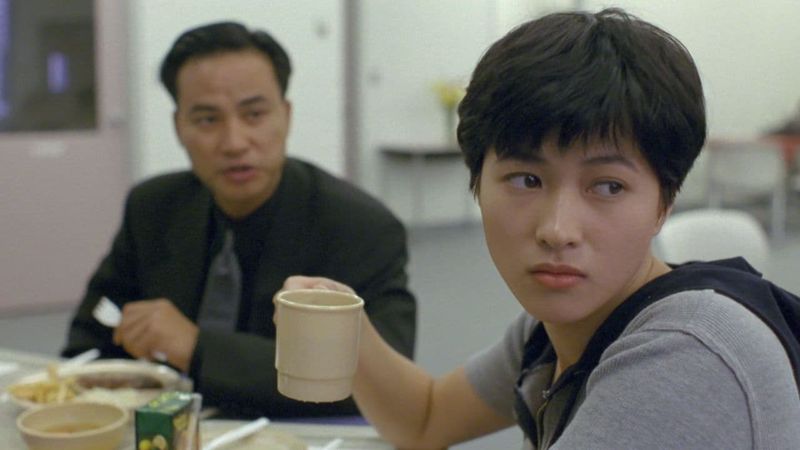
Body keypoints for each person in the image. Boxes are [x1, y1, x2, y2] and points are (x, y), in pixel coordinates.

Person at [281, 8, 800, 449]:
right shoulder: (555, 331)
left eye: (608, 186)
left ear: (664, 202)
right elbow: (427, 418)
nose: (557, 230)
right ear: (477, 182)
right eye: (526, 179)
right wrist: (343, 317)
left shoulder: (684, 359)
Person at [61, 21, 416, 418]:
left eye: (254, 114)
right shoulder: (153, 207)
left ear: (286, 116)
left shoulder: (359, 226)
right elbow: (90, 336)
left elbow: (385, 381)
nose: (234, 142)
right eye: (207, 120)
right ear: (179, 127)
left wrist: (198, 348)